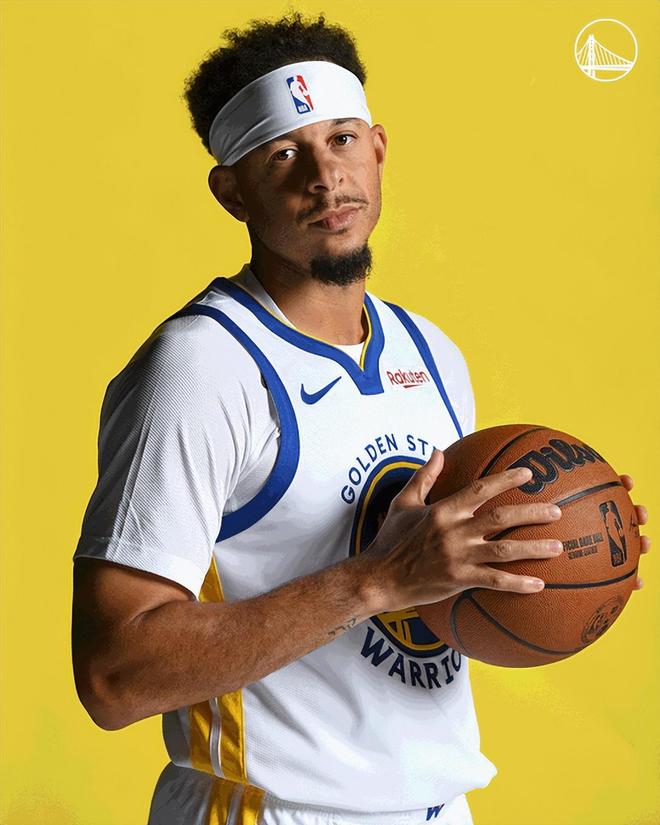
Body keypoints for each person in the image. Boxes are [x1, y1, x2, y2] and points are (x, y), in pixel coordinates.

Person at [71, 11, 650, 825]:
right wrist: (375, 579)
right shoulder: (202, 367)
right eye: (284, 154)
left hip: (437, 805)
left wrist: (565, 542)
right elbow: (114, 675)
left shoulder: (432, 352)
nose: (325, 176)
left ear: (378, 149)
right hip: (272, 810)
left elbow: (439, 588)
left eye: (341, 139)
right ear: (231, 191)